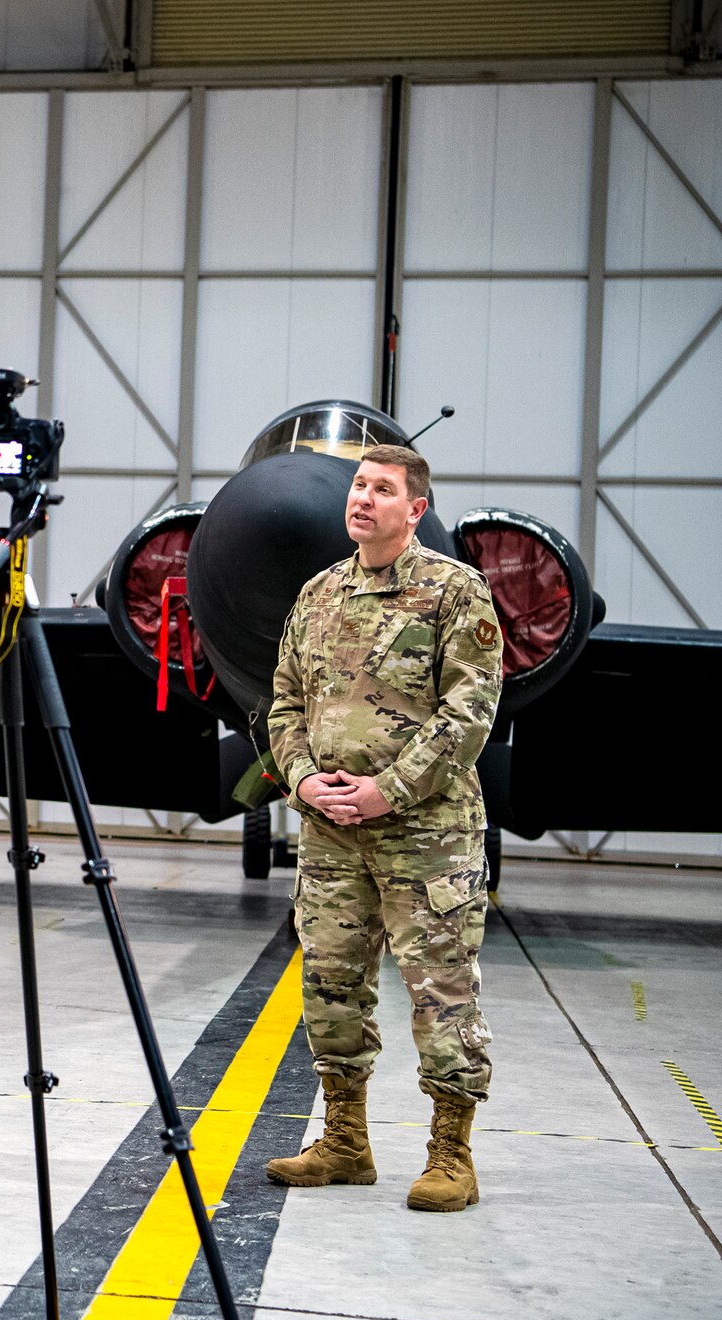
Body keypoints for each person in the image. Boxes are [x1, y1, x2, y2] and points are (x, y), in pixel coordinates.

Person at [263, 442, 502, 1213]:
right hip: (330, 835)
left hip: (428, 836)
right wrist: (302, 779)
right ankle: (344, 1142)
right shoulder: (319, 593)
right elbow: (284, 705)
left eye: (383, 488)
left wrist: (387, 791)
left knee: (440, 992)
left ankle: (451, 1152)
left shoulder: (454, 593)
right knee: (330, 988)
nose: (363, 498)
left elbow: (469, 713)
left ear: (416, 509)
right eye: (359, 485)